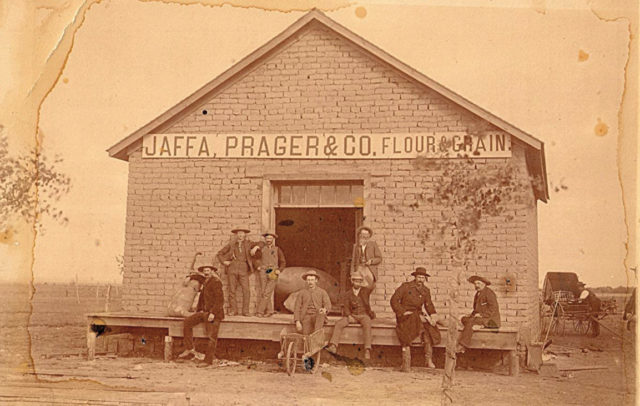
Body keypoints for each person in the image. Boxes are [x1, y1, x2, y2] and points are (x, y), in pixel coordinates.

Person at [390, 267, 441, 371]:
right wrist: (402, 312)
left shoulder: (425, 290)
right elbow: (394, 300)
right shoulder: (406, 287)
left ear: (425, 279)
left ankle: (428, 359)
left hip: (417, 315)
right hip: (405, 316)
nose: (420, 280)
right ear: (415, 277)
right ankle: (406, 363)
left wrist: (433, 315)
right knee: (406, 334)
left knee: (430, 329)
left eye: (423, 277)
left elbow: (429, 305)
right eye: (419, 277)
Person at [178, 266, 225, 365]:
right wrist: (189, 277)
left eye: (208, 271)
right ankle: (189, 349)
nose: (206, 273)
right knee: (187, 322)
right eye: (204, 271)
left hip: (214, 314)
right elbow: (198, 276)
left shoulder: (216, 282)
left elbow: (220, 300)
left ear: (212, 271)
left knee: (211, 336)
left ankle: (208, 361)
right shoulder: (205, 281)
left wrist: (213, 313)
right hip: (203, 312)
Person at [326, 272, 375, 360]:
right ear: (352, 282)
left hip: (363, 315)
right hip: (352, 315)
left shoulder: (365, 291)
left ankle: (367, 349)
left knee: (367, 324)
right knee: (339, 324)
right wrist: (349, 316)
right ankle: (333, 345)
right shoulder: (347, 294)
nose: (358, 283)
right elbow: (346, 306)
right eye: (356, 281)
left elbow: (372, 285)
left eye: (359, 281)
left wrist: (365, 274)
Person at [216, 227, 259, 316]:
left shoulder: (249, 243)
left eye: (242, 233)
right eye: (239, 233)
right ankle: (233, 310)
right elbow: (220, 253)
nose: (240, 235)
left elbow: (262, 243)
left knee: (246, 290)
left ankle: (246, 311)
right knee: (232, 290)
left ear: (245, 235)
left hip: (243, 268)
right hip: (232, 267)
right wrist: (224, 261)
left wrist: (256, 247)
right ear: (236, 235)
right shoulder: (231, 244)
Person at [457, 275, 500, 352]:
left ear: (484, 284)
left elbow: (493, 309)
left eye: (479, 283)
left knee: (470, 322)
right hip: (481, 318)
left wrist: (481, 315)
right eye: (475, 284)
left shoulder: (489, 293)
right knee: (464, 319)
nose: (476, 285)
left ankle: (462, 345)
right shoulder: (477, 294)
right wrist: (471, 314)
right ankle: (480, 325)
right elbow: (476, 309)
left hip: (491, 319)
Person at [255, 231, 286, 317]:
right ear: (265, 239)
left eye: (270, 238)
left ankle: (259, 312)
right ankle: (270, 311)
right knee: (263, 292)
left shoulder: (277, 249)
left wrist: (279, 270)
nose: (268, 240)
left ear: (273, 239)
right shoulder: (261, 249)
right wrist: (258, 266)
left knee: (267, 292)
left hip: (273, 271)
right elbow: (255, 259)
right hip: (263, 270)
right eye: (267, 238)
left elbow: (283, 262)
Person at [294, 270, 332, 335]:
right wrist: (297, 321)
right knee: (306, 335)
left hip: (317, 316)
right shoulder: (302, 292)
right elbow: (297, 308)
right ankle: (311, 339)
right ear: (306, 281)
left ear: (316, 281)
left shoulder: (322, 292)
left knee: (320, 314)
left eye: (312, 280)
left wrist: (324, 309)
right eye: (308, 280)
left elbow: (328, 304)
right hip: (306, 316)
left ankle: (316, 335)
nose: (310, 282)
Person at [351, 226, 383, 290]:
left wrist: (371, 261)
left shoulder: (373, 245)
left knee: (368, 287)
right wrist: (352, 273)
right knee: (357, 286)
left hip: (368, 269)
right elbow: (353, 260)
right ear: (359, 236)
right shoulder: (356, 246)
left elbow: (379, 258)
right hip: (359, 269)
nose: (363, 237)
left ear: (368, 237)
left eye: (366, 236)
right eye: (362, 235)